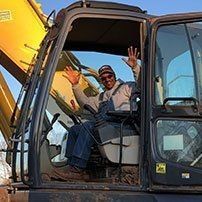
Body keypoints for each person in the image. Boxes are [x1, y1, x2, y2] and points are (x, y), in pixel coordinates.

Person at [53, 46, 140, 180]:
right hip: (106, 126)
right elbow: (85, 103)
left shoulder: (127, 87)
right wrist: (75, 85)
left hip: (123, 125)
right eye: (103, 78)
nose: (107, 79)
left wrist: (135, 67)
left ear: (114, 76)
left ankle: (77, 169)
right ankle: (72, 165)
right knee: (75, 129)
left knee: (88, 127)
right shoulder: (101, 97)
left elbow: (142, 85)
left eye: (109, 76)